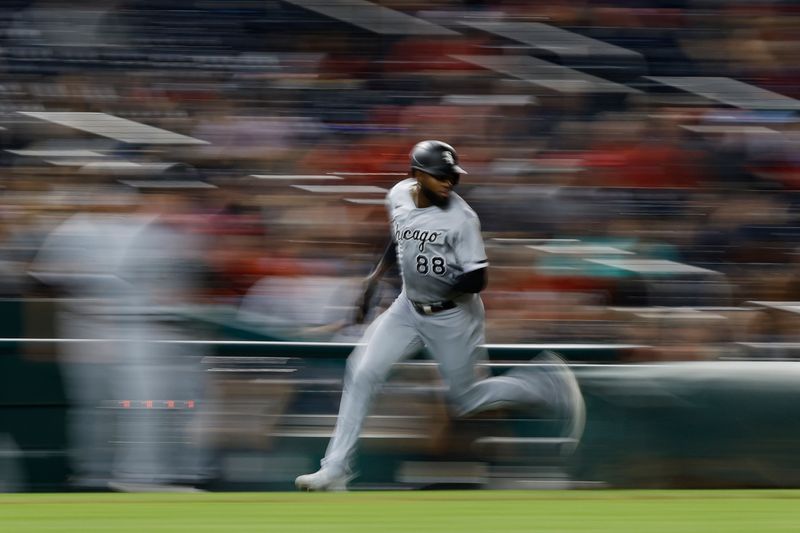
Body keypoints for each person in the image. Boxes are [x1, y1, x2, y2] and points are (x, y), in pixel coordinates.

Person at [295, 140, 585, 491]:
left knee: (466, 400)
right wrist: (374, 278)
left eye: (452, 175)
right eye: (440, 176)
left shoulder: (462, 219)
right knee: (362, 371)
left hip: (453, 315)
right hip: (407, 307)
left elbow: (478, 278)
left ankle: (543, 383)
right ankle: (335, 469)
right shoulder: (399, 194)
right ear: (416, 176)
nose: (449, 182)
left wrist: (439, 284)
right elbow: (400, 237)